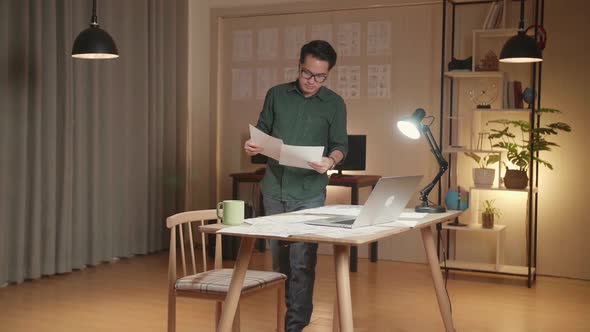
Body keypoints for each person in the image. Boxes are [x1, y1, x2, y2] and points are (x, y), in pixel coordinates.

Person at [244, 40, 348, 332]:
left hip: (309, 193)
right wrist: (253, 145)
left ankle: (295, 325)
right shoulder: (276, 95)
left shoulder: (335, 104)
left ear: (328, 75)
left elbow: (341, 145)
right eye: (307, 73)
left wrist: (330, 160)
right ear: (299, 65)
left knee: (302, 262)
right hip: (274, 189)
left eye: (320, 77)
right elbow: (262, 130)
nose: (312, 81)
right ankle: (288, 318)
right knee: (280, 265)